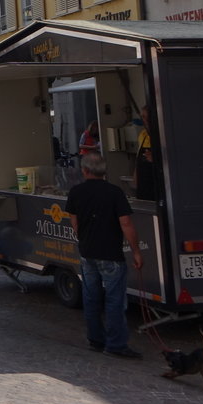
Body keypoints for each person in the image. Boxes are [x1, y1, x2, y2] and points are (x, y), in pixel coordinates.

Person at [65, 150, 143, 358]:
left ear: (85, 170)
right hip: (111, 253)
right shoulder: (114, 192)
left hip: (87, 251)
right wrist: (136, 251)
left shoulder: (76, 192)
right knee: (115, 299)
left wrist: (84, 238)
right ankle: (116, 344)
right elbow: (125, 223)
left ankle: (96, 339)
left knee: (91, 297)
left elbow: (74, 223)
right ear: (103, 171)